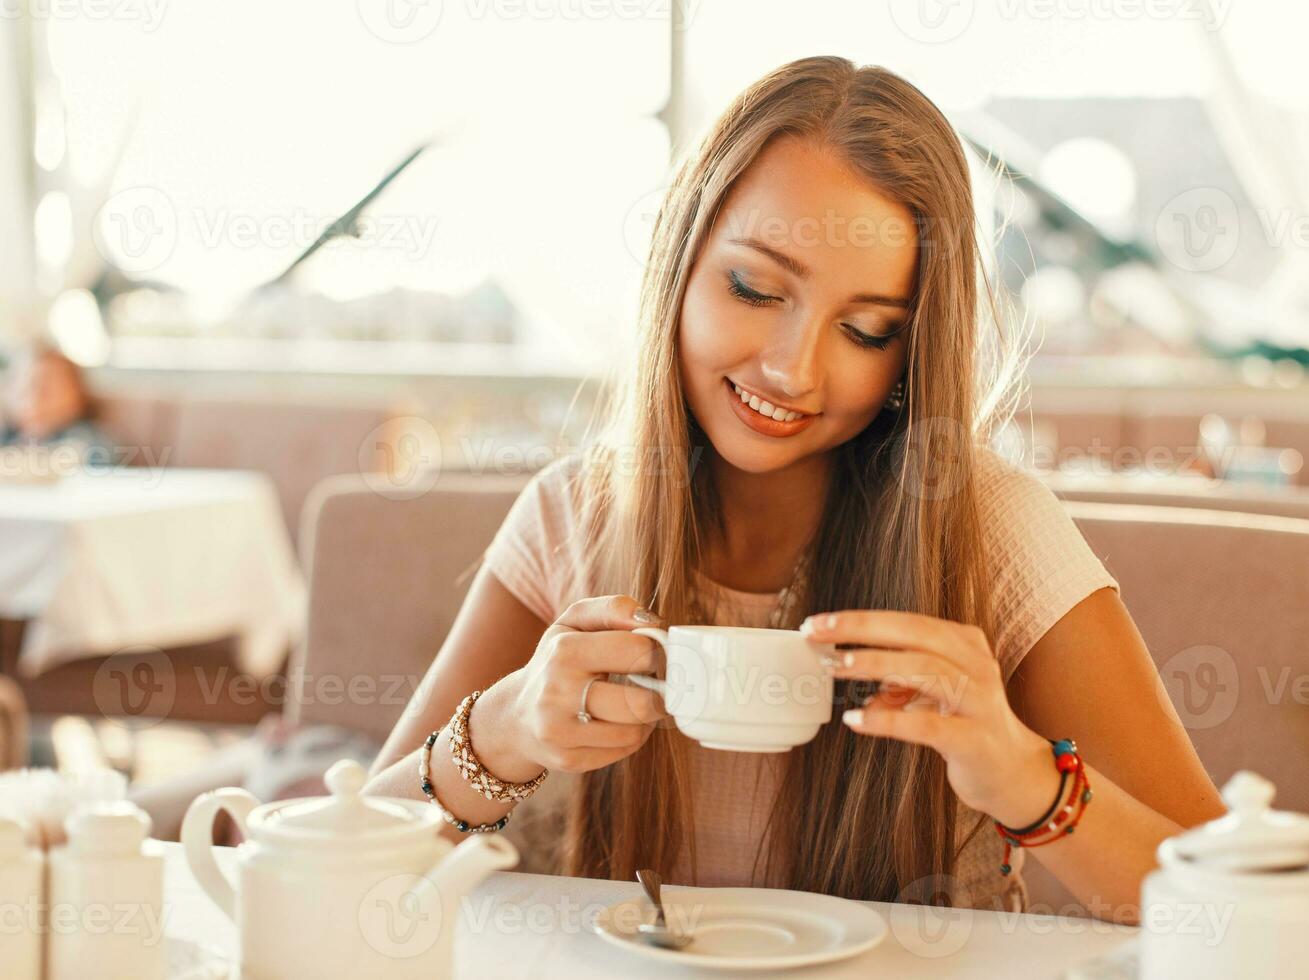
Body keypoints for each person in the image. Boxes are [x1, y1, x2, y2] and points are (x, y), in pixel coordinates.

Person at [365, 56, 1225, 921]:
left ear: (910, 352)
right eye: (755, 287)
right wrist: (503, 731)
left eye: (865, 330)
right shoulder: (574, 513)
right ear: (680, 263)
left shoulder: (988, 528)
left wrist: (1025, 778)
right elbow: (347, 861)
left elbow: (1224, 905)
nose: (792, 370)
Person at [0, 347, 116, 466]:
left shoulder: (86, 436)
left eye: (48, 389)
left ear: (77, 397)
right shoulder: (7, 436)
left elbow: (89, 457)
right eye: (26, 387)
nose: (36, 396)